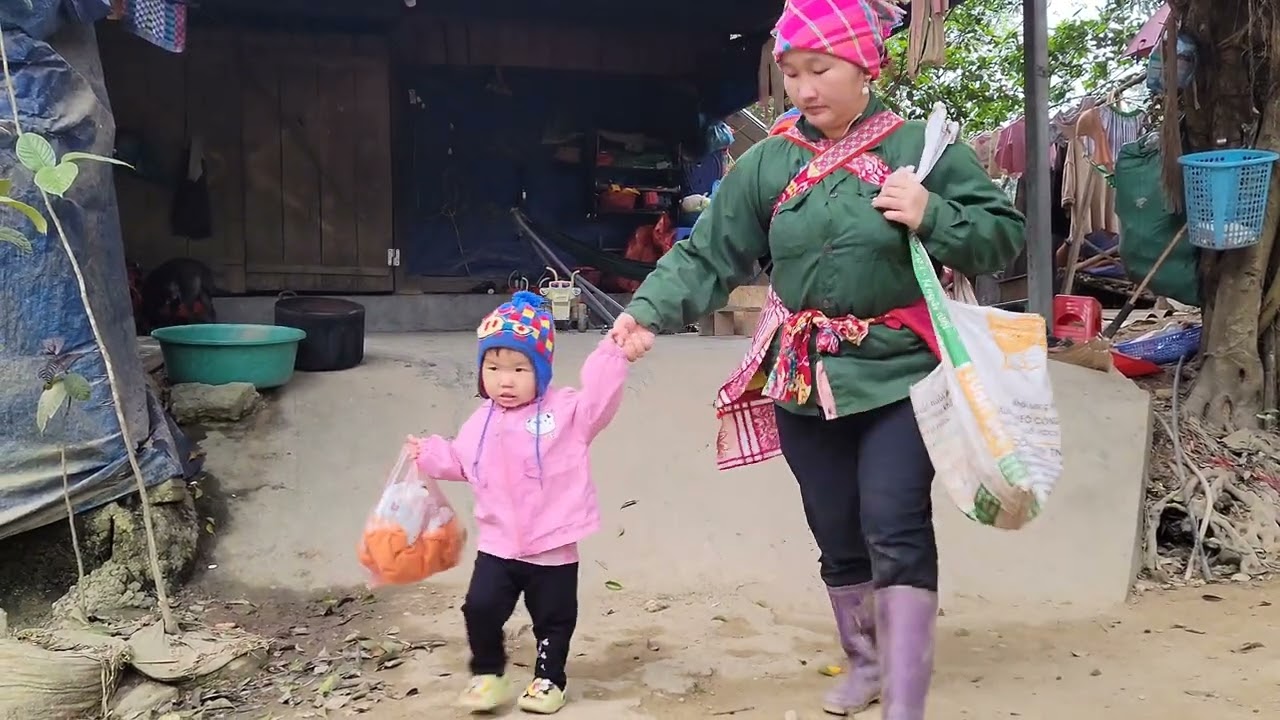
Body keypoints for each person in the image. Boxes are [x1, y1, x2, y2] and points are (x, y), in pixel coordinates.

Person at [608, 1, 1026, 717]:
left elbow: (1002, 237)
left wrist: (933, 213)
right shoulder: (768, 161)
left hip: (900, 373)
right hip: (802, 381)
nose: (804, 88)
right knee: (835, 528)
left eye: (821, 69)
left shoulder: (923, 148)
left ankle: (904, 691)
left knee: (893, 520)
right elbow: (710, 253)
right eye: (793, 72)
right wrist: (645, 312)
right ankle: (865, 664)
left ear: (867, 65)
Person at [413, 290, 630, 715]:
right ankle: (489, 675)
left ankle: (549, 680)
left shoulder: (566, 412)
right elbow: (462, 460)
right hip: (498, 544)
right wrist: (428, 453)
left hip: (553, 545)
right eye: (493, 369)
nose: (504, 380)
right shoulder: (481, 419)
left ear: (542, 371)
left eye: (518, 368)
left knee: (553, 618)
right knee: (479, 608)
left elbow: (598, 401)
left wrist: (614, 352)